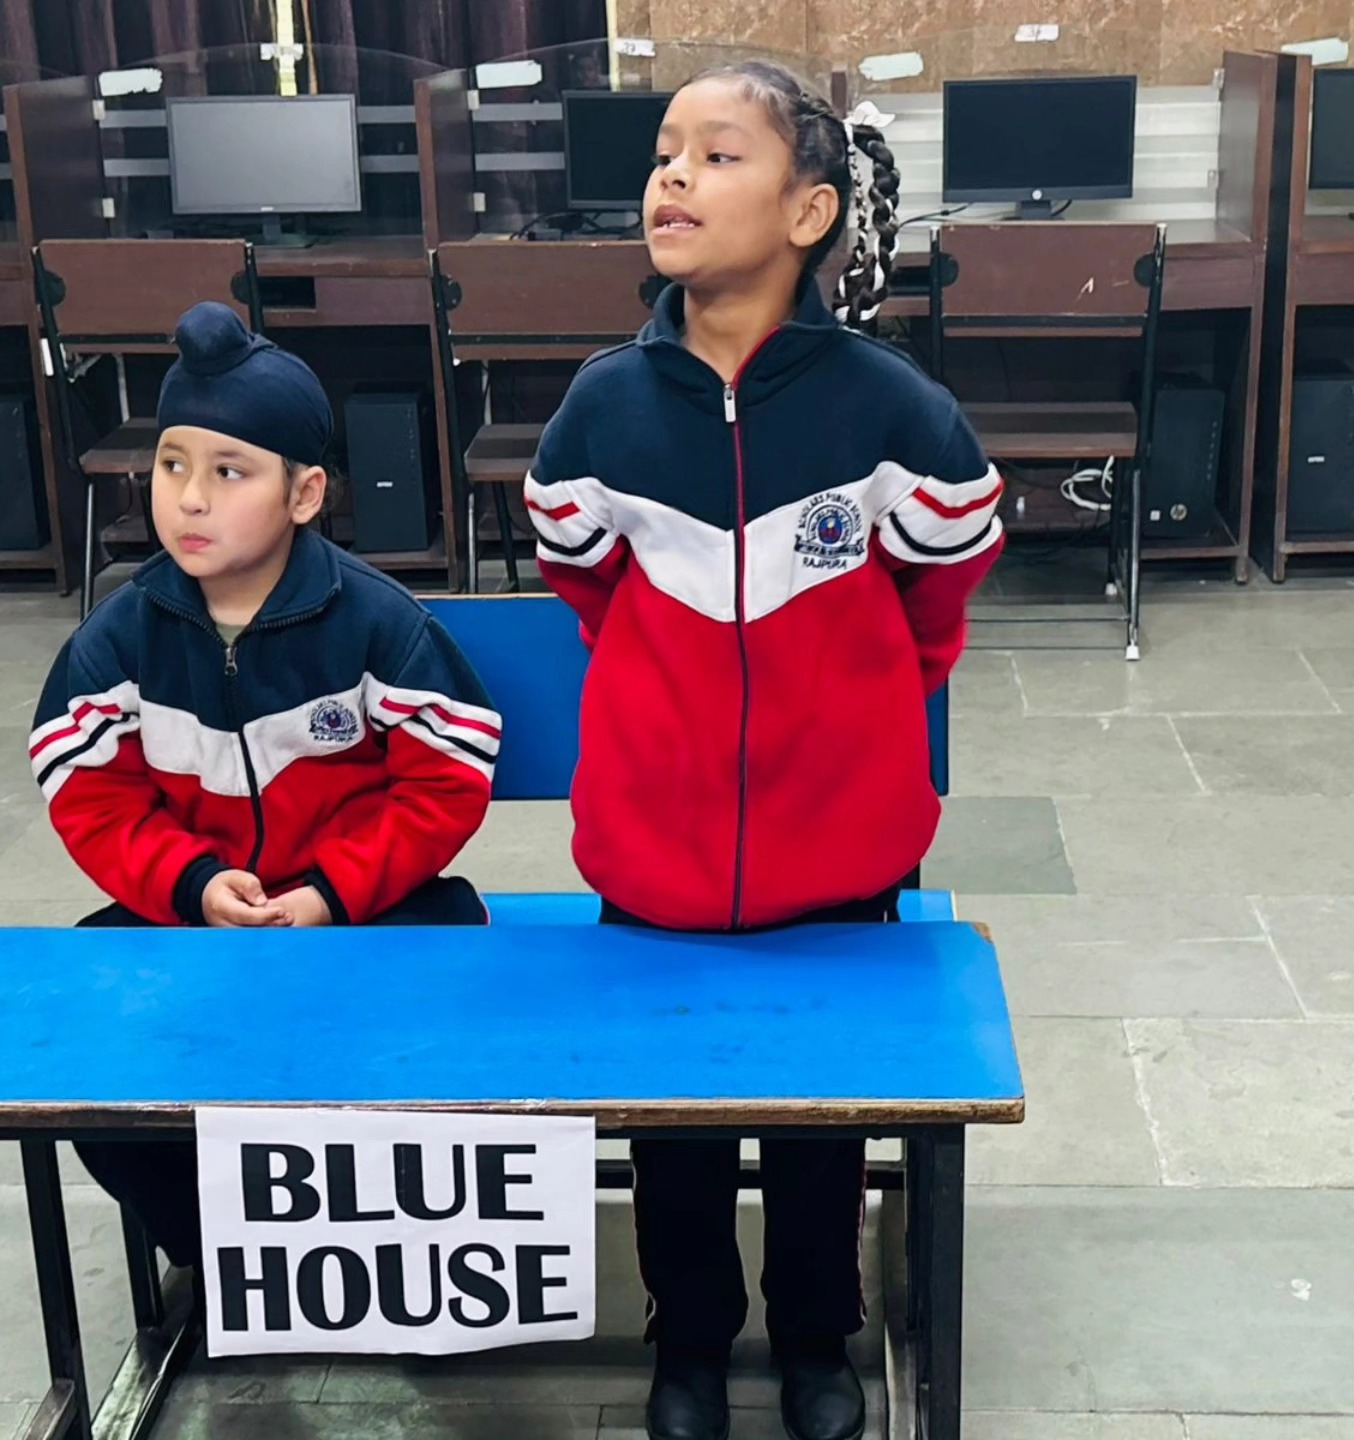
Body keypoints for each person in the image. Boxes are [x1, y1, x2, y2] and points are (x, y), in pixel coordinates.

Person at [524, 60, 1004, 1440]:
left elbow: (941, 592)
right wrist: (666, 698)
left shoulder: (893, 410)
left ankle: (814, 1338)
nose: (672, 175)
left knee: (816, 1125)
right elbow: (586, 581)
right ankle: (687, 1341)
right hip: (653, 849)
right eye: (664, 153)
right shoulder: (602, 408)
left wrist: (859, 711)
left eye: (718, 154)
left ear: (809, 212)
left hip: (840, 848)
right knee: (672, 1125)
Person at [29, 302, 500, 1268]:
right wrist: (195, 885)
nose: (190, 500)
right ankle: (229, 1265)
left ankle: (381, 1258)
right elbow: (92, 794)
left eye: (229, 472)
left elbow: (444, 778)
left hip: (363, 912)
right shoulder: (116, 641)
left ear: (305, 493)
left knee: (456, 1010)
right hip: (194, 919)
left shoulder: (378, 625)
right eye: (172, 466)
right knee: (92, 1049)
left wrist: (330, 892)